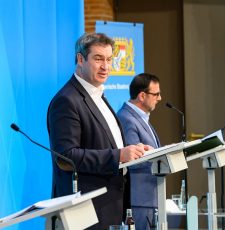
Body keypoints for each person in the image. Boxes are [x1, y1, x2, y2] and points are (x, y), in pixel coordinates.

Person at [47, 33, 150, 230]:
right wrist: (118, 155)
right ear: (80, 59)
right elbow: (66, 156)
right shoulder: (67, 100)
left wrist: (132, 151)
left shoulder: (98, 95)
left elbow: (105, 143)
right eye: (98, 59)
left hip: (110, 205)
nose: (106, 66)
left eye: (109, 59)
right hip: (85, 210)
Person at [117, 73, 162, 230]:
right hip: (139, 200)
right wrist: (159, 155)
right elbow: (132, 161)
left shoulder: (140, 118)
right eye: (156, 94)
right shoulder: (126, 118)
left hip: (149, 198)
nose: (160, 98)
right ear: (142, 96)